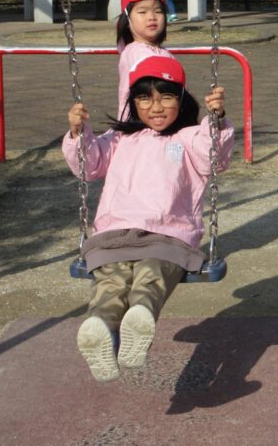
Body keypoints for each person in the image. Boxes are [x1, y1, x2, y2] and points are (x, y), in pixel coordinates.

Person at [63, 55, 233, 382]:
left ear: (181, 99)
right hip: (115, 234)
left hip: (166, 236)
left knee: (151, 275)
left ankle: (138, 318)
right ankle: (100, 326)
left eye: (165, 97)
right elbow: (89, 166)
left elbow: (215, 158)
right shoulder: (119, 139)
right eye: (145, 98)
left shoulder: (189, 138)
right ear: (133, 103)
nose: (155, 107)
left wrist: (217, 120)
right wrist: (78, 133)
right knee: (110, 284)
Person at [115, 0, 175, 119]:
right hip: (145, 124)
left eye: (158, 11)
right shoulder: (135, 54)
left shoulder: (164, 52)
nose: (152, 17)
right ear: (127, 20)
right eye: (142, 12)